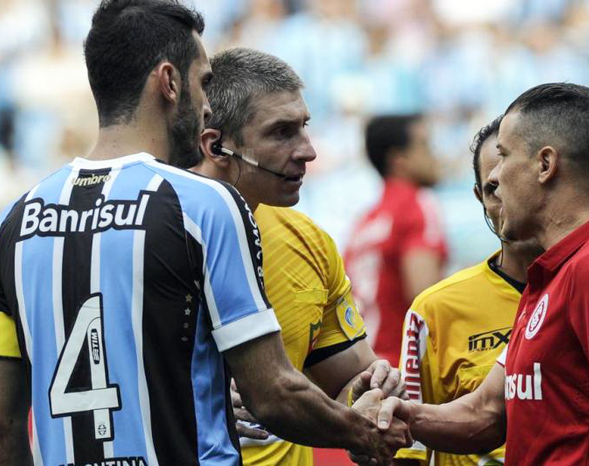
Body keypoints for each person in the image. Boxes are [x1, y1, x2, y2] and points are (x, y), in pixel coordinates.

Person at [0, 2, 409, 465]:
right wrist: (359, 431)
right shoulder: (205, 205)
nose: (207, 106)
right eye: (203, 82)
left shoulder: (10, 226)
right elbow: (272, 394)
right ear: (169, 82)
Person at [356, 83, 589, 465]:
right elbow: (487, 412)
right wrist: (393, 412)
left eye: (504, 157)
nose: (496, 177)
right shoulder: (552, 276)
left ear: (545, 165)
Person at [192, 46, 405, 466]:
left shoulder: (307, 241)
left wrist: (375, 392)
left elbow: (349, 379)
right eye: (282, 132)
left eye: (304, 127)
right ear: (217, 146)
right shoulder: (149, 237)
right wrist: (192, 405)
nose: (308, 151)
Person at [394, 116, 542, 466]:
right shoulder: (435, 309)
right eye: (493, 188)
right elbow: (406, 453)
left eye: (517, 182)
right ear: (479, 197)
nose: (507, 199)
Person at [344, 114, 449, 367]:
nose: (436, 156)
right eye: (426, 146)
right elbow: (425, 295)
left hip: (361, 365)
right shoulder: (417, 203)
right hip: (402, 368)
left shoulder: (363, 223)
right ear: (399, 159)